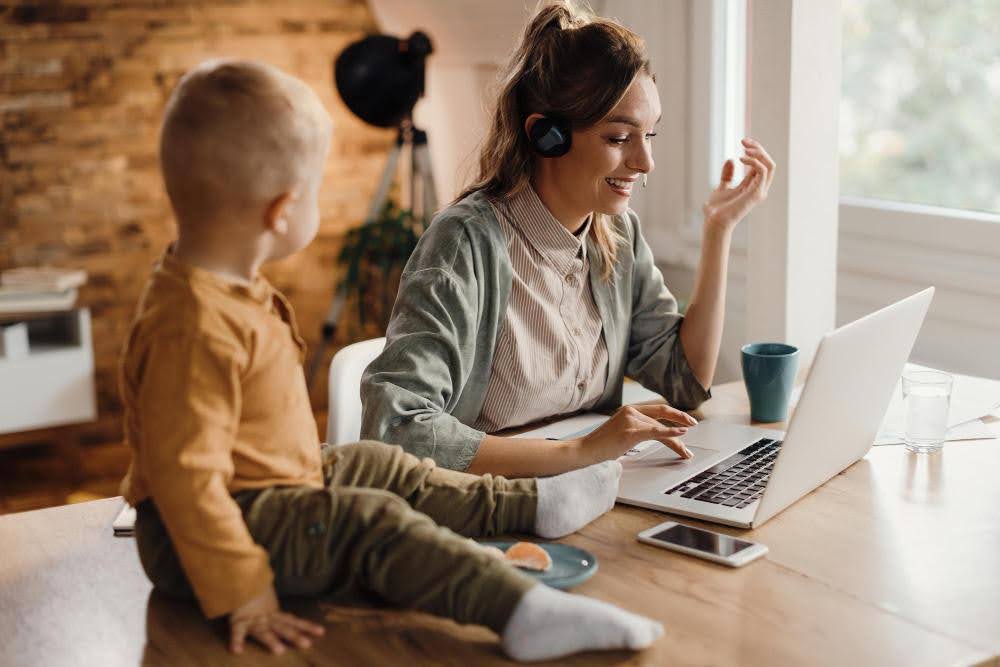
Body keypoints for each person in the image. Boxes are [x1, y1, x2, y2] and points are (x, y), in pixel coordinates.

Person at [120, 57, 665, 662]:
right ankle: (518, 612)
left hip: (267, 490)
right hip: (199, 540)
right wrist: (243, 594)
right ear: (280, 213)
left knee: (380, 466)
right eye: (317, 190)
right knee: (370, 519)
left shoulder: (223, 287)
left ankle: (534, 506)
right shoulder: (192, 324)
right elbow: (187, 485)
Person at [361, 1, 775, 477]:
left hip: (589, 492)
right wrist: (581, 452)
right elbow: (397, 429)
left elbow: (685, 380)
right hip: (490, 509)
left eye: (650, 135)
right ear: (547, 136)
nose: (645, 163)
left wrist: (718, 230)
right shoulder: (464, 244)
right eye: (619, 138)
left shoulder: (617, 235)